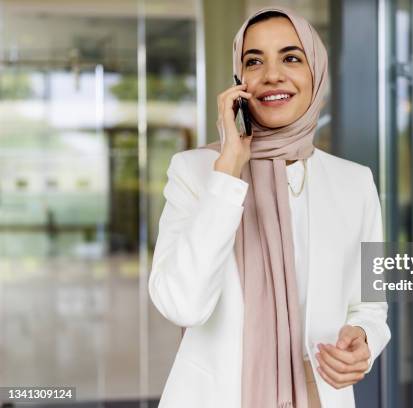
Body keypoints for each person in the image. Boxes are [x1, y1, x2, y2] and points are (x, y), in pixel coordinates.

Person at [148, 6, 390, 408]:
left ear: (317, 72)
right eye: (254, 61)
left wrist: (362, 339)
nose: (272, 74)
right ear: (239, 82)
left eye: (291, 58)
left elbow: (370, 305)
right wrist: (228, 168)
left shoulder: (354, 182)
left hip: (317, 396)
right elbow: (181, 304)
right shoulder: (195, 172)